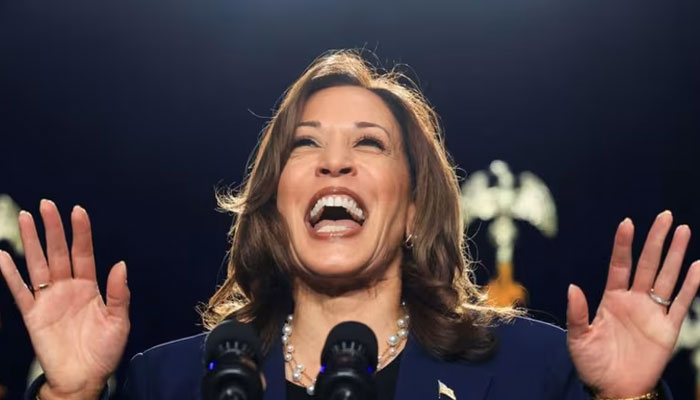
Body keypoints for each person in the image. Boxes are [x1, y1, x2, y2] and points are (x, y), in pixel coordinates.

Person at [1, 50, 698, 400]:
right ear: (276, 202)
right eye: (305, 145)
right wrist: (69, 393)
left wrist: (630, 397)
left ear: (415, 206)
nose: (334, 164)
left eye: (368, 144)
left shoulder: (535, 372)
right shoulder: (170, 382)